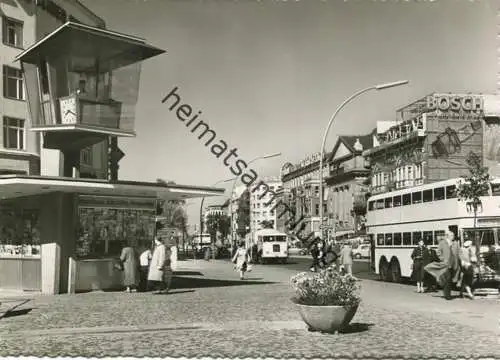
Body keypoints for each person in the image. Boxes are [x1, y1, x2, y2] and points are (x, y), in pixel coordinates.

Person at [424, 229, 457, 300]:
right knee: (447, 279)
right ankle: (447, 295)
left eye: (453, 235)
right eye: (452, 235)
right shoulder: (442, 243)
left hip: (452, 263)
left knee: (449, 280)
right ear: (448, 236)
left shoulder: (455, 243)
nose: (453, 236)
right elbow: (438, 252)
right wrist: (442, 259)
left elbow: (457, 252)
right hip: (445, 264)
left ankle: (446, 292)